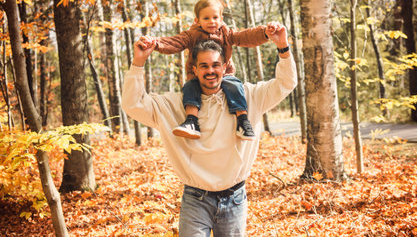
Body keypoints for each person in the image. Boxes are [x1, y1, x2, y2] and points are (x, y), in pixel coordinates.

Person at [122, 22, 296, 236]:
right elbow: (133, 104)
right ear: (194, 69)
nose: (210, 71)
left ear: (224, 67)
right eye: (204, 66)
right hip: (196, 200)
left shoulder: (248, 97)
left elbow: (285, 84)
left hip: (235, 198)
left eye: (215, 65)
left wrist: (283, 47)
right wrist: (138, 62)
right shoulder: (175, 105)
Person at [142, 0, 271, 140]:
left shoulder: (226, 34)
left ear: (221, 19)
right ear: (197, 20)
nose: (212, 22)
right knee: (190, 88)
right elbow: (175, 42)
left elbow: (245, 36)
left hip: (224, 74)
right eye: (206, 18)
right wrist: (155, 43)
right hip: (197, 77)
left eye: (215, 17)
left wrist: (265, 33)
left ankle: (243, 121)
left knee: (235, 86)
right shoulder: (192, 35)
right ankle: (191, 122)